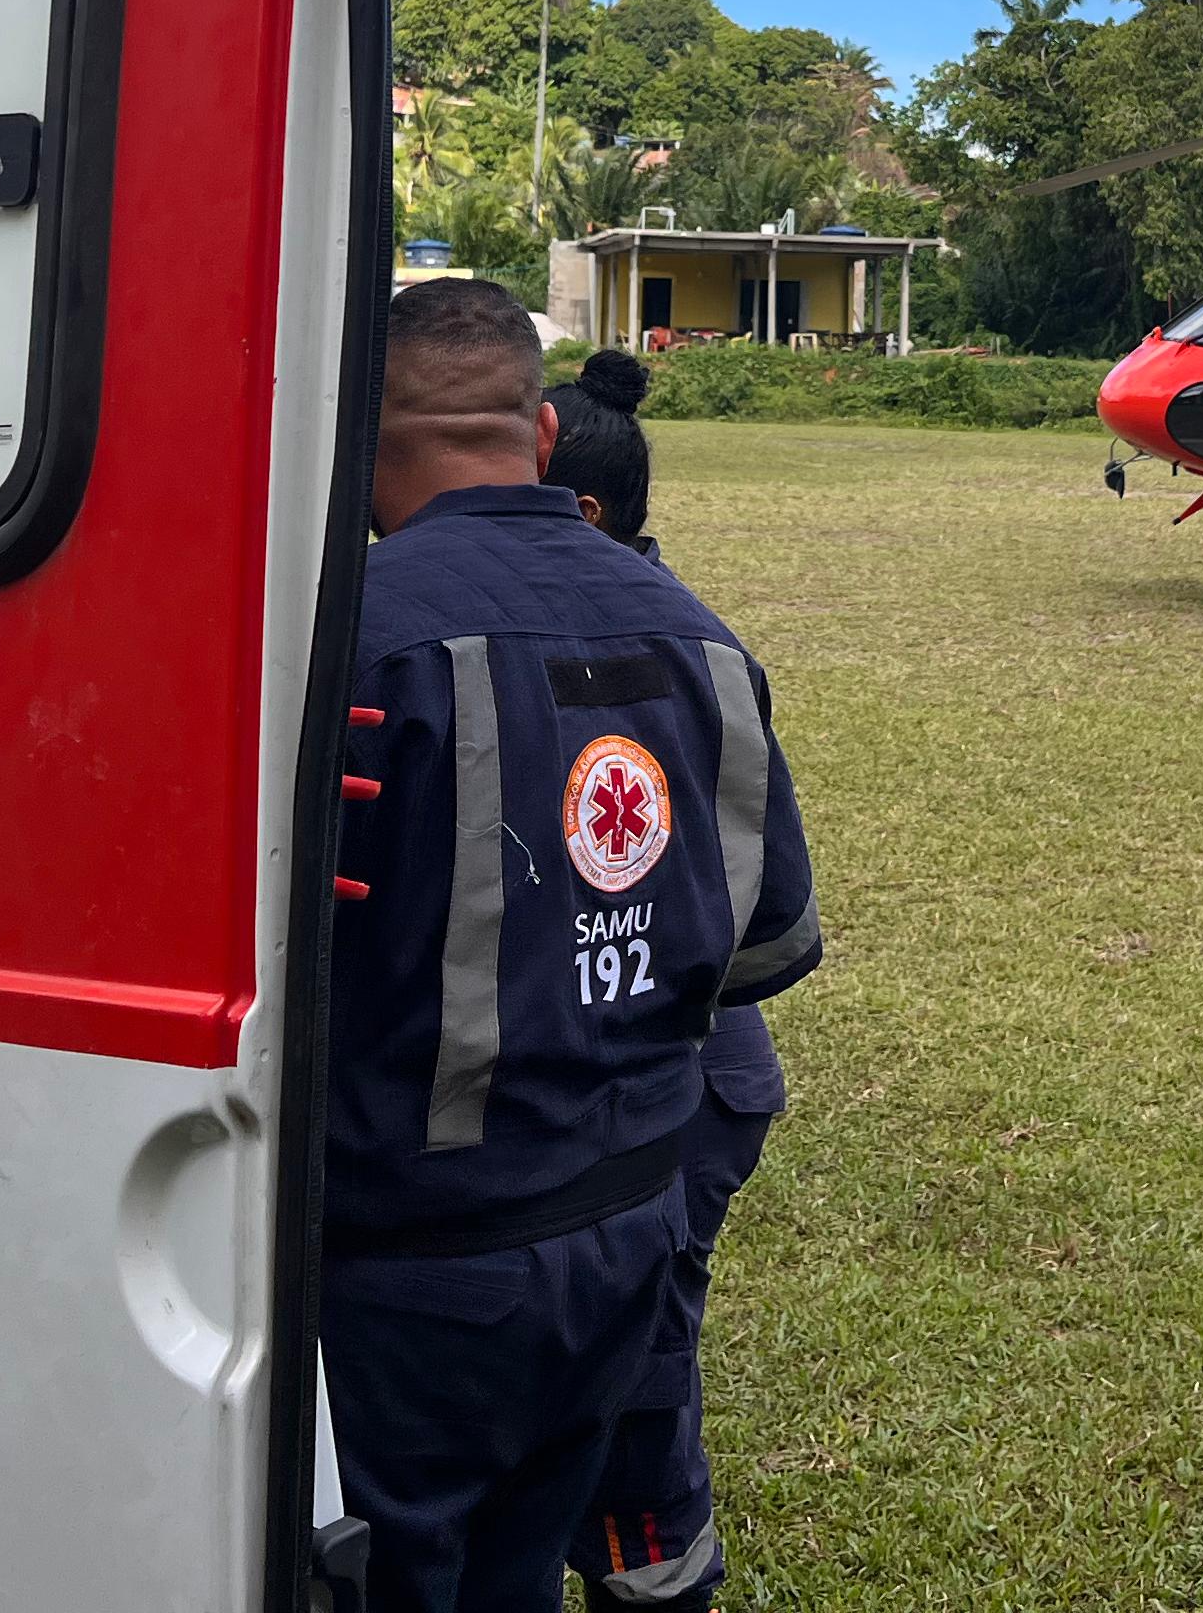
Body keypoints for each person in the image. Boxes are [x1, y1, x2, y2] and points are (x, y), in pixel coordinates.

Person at [326, 283, 823, 1613]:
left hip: (412, 1273)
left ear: (355, 430)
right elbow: (764, 942)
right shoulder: (700, 634)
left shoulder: (346, 643)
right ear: (542, 433)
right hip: (630, 1236)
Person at [548, 353, 784, 1611]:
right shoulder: (672, 627)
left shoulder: (642, 648)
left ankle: (656, 1567)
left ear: (578, 509)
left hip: (676, 1088)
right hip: (677, 1077)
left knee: (636, 1365)